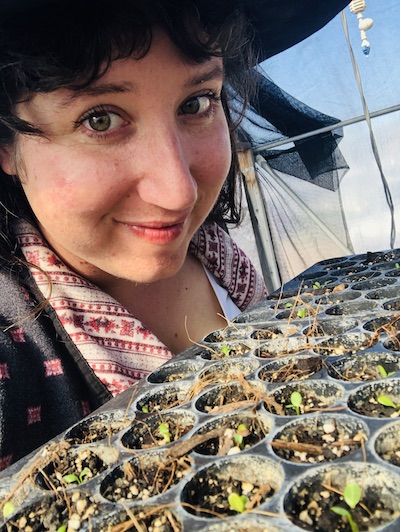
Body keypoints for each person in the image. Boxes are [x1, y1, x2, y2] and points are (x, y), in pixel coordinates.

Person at [0, 0, 348, 470]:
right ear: (7, 143)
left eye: (197, 103)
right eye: (99, 119)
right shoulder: (12, 366)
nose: (178, 192)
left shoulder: (217, 257)